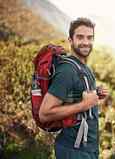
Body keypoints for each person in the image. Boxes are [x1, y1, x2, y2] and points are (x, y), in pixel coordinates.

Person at [39, 17, 108, 159]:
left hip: (87, 149)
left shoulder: (83, 68)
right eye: (80, 37)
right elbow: (44, 114)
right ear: (70, 40)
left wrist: (96, 94)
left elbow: (76, 95)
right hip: (73, 150)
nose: (86, 42)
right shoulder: (67, 71)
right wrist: (84, 105)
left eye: (90, 38)